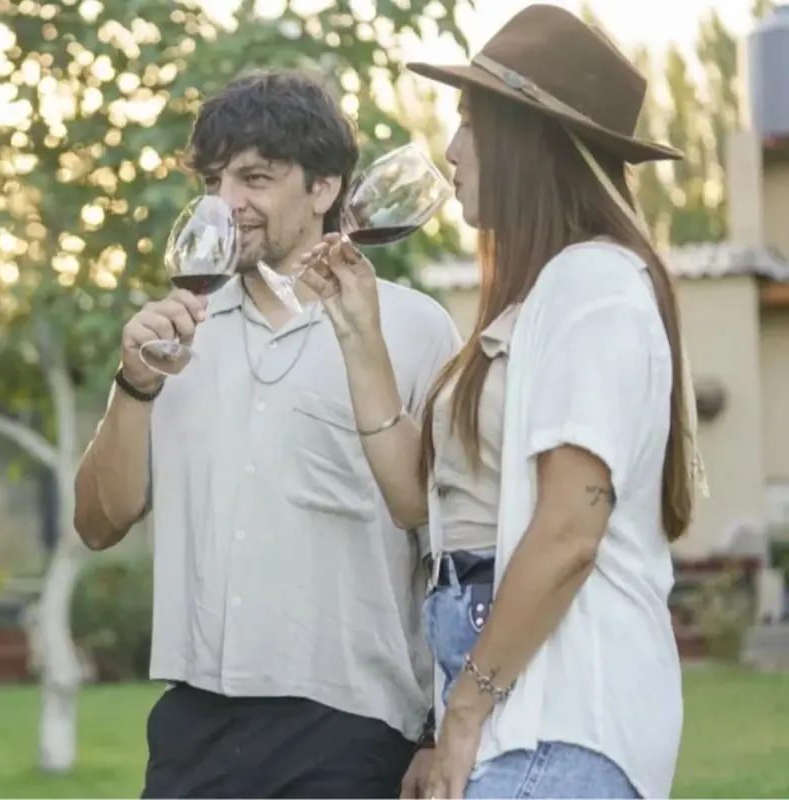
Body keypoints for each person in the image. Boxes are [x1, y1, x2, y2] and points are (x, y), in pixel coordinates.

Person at [301, 5, 704, 798]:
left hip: (559, 720)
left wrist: (463, 715)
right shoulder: (542, 296)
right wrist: (357, 333)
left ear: (526, 139)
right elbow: (417, 501)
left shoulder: (593, 284)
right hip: (514, 716)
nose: (449, 151)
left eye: (467, 125)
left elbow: (566, 533)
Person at [73, 70, 463, 798]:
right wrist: (132, 387)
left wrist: (443, 733)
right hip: (193, 726)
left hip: (352, 727)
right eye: (217, 179)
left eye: (256, 178)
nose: (229, 203)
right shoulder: (172, 335)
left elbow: (449, 549)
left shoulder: (414, 330)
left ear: (325, 188)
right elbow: (98, 523)